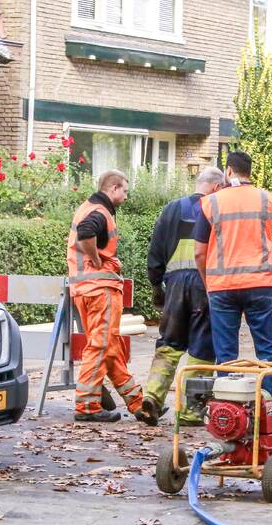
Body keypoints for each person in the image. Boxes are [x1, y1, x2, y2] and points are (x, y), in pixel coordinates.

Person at [193, 151, 272, 434]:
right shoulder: (266, 199)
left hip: (222, 288)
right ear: (250, 172)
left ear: (228, 171)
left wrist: (209, 283)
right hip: (259, 285)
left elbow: (199, 253)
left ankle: (228, 419)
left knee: (227, 356)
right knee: (267, 352)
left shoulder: (211, 202)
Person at [67, 170, 160, 425]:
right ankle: (87, 406)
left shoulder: (86, 207)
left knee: (110, 348)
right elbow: (86, 234)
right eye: (125, 191)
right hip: (101, 290)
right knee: (100, 347)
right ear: (113, 189)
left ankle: (138, 403)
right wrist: (97, 260)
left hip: (85, 289)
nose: (126, 196)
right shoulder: (99, 212)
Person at [144, 167, 226, 425]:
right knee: (202, 348)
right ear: (216, 187)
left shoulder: (172, 209)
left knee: (168, 343)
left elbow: (156, 250)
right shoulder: (216, 209)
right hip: (204, 283)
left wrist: (156, 285)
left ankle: (152, 396)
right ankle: (192, 410)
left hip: (175, 285)